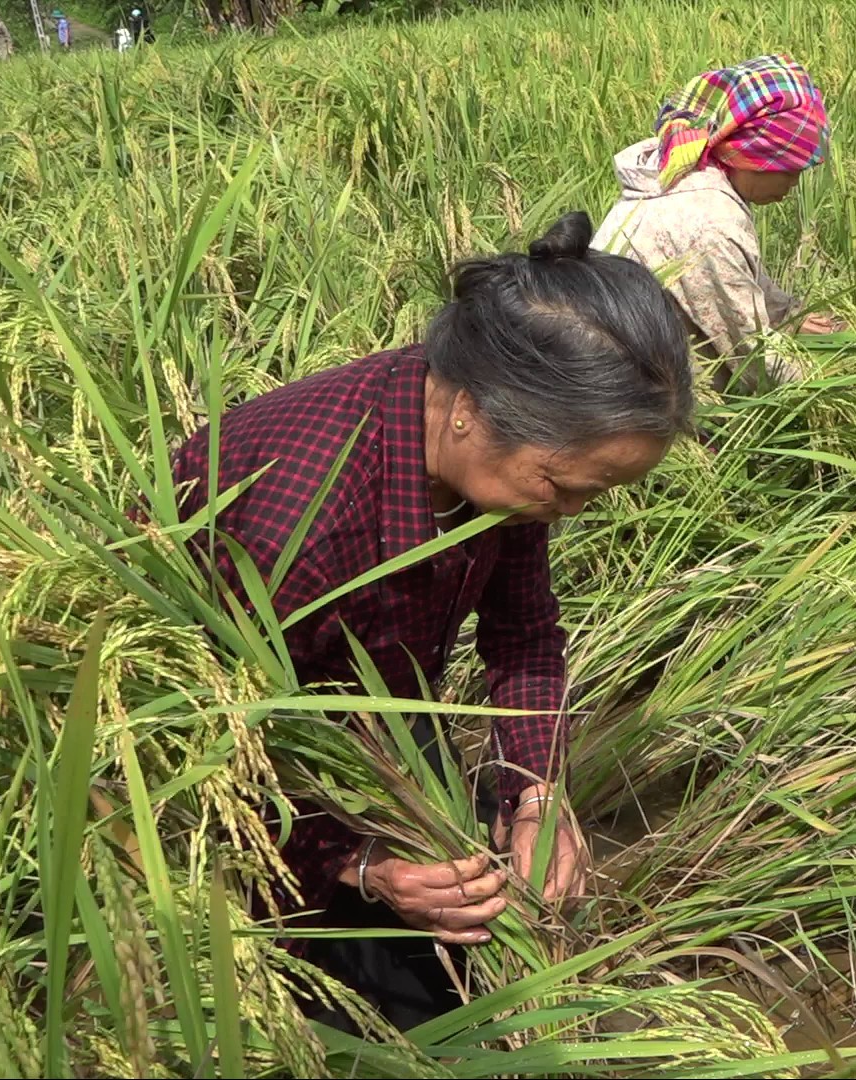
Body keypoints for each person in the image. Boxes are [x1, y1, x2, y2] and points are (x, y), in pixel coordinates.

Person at [166, 212, 693, 1028]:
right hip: (220, 748)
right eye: (564, 488)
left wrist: (534, 791)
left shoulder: (495, 457)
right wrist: (361, 864)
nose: (575, 513)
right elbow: (203, 738)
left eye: (600, 492)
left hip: (373, 704)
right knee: (322, 1010)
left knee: (478, 952)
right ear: (471, 413)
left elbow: (522, 634)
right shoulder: (293, 526)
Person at [594, 53, 841, 394]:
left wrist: (788, 316)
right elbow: (754, 359)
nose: (793, 185)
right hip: (624, 397)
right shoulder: (707, 221)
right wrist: (838, 381)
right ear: (754, 156)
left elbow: (733, 280)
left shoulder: (701, 173)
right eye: (791, 170)